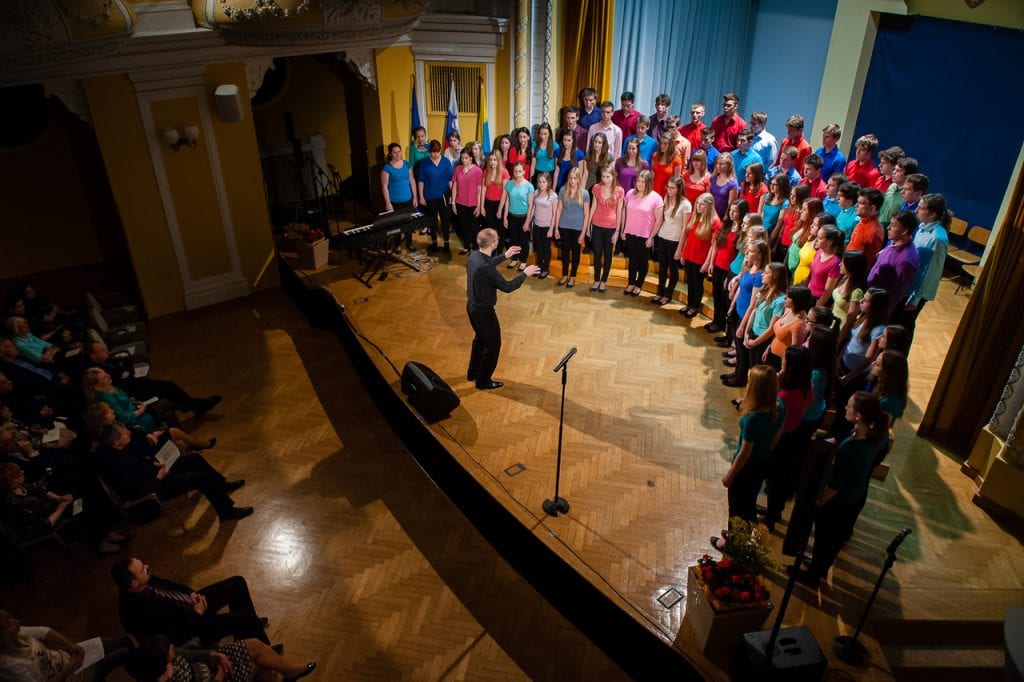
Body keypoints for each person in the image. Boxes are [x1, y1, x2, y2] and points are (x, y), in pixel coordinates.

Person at [798, 392, 887, 585]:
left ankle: (812, 576)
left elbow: (835, 485)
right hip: (855, 497)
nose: (845, 408)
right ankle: (819, 568)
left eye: (849, 406)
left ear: (859, 416)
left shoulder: (852, 448)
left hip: (840, 503)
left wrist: (818, 502)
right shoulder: (873, 436)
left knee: (825, 541)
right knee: (831, 542)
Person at [94, 421, 252, 521]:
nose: (129, 432)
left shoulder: (119, 449)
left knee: (194, 459)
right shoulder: (117, 465)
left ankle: (221, 484)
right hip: (155, 488)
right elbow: (135, 491)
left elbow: (139, 462)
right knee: (202, 477)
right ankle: (226, 512)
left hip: (156, 474)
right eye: (124, 432)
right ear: (116, 442)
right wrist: (159, 477)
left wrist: (153, 463)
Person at [112, 555, 271, 646]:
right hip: (193, 626)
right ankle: (262, 646)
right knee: (246, 617)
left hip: (190, 606)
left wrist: (191, 593)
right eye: (143, 569)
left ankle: (248, 634)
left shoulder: (143, 581)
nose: (147, 567)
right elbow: (177, 634)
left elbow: (170, 585)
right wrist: (198, 613)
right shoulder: (135, 613)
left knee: (237, 583)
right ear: (134, 583)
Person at [465, 229, 540, 390]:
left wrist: (505, 255)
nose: (499, 240)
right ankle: (483, 381)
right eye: (497, 239)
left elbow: (487, 262)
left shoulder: (473, 255)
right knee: (493, 346)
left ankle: (473, 372)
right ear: (492, 244)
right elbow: (507, 287)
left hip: (472, 306)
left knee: (480, 340)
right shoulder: (486, 268)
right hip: (483, 312)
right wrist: (524, 274)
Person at [714, 364, 785, 534]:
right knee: (749, 502)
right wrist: (765, 450)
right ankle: (745, 537)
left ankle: (733, 541)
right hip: (762, 462)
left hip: (745, 468)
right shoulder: (780, 405)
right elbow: (779, 433)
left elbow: (745, 452)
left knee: (736, 509)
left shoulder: (754, 418)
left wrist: (730, 475)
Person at [0, 610, 135, 682]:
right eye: (9, 623)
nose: (16, 621)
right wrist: (72, 667)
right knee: (124, 652)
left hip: (67, 658)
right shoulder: (12, 665)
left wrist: (70, 645)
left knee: (123, 640)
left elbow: (44, 631)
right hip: (70, 674)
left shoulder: (17, 634)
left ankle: (138, 669)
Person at [125, 633, 315, 682]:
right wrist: (219, 677)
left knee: (254, 645)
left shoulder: (168, 658)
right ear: (160, 662)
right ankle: (285, 675)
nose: (173, 647)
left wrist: (213, 654)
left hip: (208, 664)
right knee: (258, 665)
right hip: (215, 678)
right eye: (169, 649)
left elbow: (189, 653)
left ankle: (287, 672)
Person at [765, 345, 812, 531]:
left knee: (774, 480)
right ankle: (775, 511)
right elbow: (804, 410)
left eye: (784, 358)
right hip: (793, 434)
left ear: (791, 366)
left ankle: (770, 518)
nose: (781, 359)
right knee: (781, 478)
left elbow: (778, 424)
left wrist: (769, 447)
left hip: (780, 439)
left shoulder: (785, 395)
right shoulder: (806, 386)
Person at [898, 193, 951, 342]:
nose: (916, 210)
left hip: (916, 291)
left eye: (921, 208)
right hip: (908, 284)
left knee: (904, 327)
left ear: (932, 214)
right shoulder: (921, 227)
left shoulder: (938, 238)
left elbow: (931, 271)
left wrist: (916, 297)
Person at [728, 263, 788, 388]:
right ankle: (748, 391)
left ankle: (753, 394)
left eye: (767, 273)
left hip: (762, 339)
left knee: (758, 372)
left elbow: (771, 329)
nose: (762, 275)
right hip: (753, 334)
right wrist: (746, 332)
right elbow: (754, 311)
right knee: (751, 368)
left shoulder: (780, 301)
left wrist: (755, 342)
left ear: (776, 276)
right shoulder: (763, 291)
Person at [721, 239, 770, 386]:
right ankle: (737, 372)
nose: (747, 253)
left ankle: (740, 377)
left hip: (746, 315)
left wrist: (743, 325)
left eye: (751, 251)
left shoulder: (759, 276)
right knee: (738, 346)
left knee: (742, 350)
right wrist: (732, 306)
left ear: (760, 255)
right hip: (738, 310)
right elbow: (742, 288)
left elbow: (753, 304)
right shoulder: (750, 267)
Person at [867, 210, 921, 315]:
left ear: (904, 231)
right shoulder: (894, 242)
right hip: (869, 297)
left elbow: (895, 293)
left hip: (876, 308)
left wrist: (879, 316)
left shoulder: (906, 261)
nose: (888, 228)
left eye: (893, 226)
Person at [705, 199, 746, 333]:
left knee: (725, 297)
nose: (731, 214)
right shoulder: (726, 225)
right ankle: (716, 320)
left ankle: (721, 324)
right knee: (716, 295)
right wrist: (711, 263)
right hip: (718, 265)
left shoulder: (743, 231)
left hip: (730, 270)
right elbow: (716, 245)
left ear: (742, 213)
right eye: (730, 210)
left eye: (735, 211)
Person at [622, 170, 664, 297]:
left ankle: (638, 284)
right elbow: (624, 212)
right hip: (630, 233)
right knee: (632, 260)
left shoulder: (656, 198)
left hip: (645, 236)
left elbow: (659, 220)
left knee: (642, 261)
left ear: (649, 183)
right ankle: (631, 283)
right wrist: (623, 229)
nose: (640, 184)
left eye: (643, 181)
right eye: (638, 181)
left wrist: (651, 237)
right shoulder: (630, 193)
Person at [583, 165, 624, 292]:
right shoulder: (596, 188)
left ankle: (603, 281)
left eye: (607, 177)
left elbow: (619, 211)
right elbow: (593, 207)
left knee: (608, 255)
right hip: (596, 225)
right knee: (596, 254)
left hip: (611, 227)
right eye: (603, 176)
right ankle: (596, 280)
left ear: (613, 177)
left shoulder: (619, 190)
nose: (605, 179)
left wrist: (617, 231)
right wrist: (588, 227)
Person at [678, 193, 719, 319]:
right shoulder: (694, 216)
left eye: (702, 204)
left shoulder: (715, 221)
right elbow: (688, 236)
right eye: (697, 203)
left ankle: (695, 306)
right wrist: (683, 253)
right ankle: (689, 304)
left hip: (701, 258)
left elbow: (713, 245)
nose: (698, 206)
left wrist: (707, 263)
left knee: (697, 283)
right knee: (690, 281)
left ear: (709, 205)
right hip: (689, 254)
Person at [652, 177, 690, 306]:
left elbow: (685, 228)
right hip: (662, 237)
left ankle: (668, 294)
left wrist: (680, 249)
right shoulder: (666, 198)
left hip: (675, 240)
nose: (669, 190)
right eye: (668, 187)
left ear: (679, 189)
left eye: (672, 188)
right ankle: (660, 291)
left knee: (673, 269)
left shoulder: (685, 204)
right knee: (662, 267)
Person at [552, 167, 590, 288]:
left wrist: (583, 233)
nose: (572, 181)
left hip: (577, 228)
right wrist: (556, 228)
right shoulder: (563, 190)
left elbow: (587, 214)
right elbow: (559, 209)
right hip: (564, 226)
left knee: (575, 252)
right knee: (564, 252)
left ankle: (572, 276)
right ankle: (564, 275)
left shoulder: (584, 193)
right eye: (570, 178)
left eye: (574, 178)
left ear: (579, 179)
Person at [417, 140, 455, 254]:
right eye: (433, 152)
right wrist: (421, 197)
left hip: (444, 195)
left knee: (445, 220)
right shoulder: (424, 163)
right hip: (430, 196)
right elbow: (420, 181)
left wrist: (452, 195)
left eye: (437, 152)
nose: (435, 154)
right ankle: (434, 243)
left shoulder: (446, 162)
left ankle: (446, 243)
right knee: (432, 221)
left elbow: (450, 180)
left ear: (440, 150)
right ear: (429, 151)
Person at [381, 142, 420, 250]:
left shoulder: (407, 164)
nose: (397, 154)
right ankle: (397, 244)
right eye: (395, 152)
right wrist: (388, 203)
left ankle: (409, 242)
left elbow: (412, 181)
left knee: (408, 223)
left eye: (399, 152)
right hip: (394, 201)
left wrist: (415, 197)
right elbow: (384, 187)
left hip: (408, 199)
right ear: (390, 154)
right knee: (396, 225)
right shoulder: (387, 168)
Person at [499, 162, 535, 270]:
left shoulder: (529, 186)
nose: (517, 174)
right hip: (512, 216)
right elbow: (507, 201)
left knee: (523, 240)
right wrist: (505, 217)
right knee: (514, 239)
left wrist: (527, 222)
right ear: (513, 172)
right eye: (515, 171)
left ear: (524, 172)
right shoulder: (509, 184)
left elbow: (531, 206)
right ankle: (514, 259)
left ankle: (523, 261)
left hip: (523, 217)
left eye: (520, 171)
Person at [450, 146, 485, 255]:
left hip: (473, 204)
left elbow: (479, 190)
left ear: (471, 158)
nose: (464, 160)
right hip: (460, 203)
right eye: (462, 158)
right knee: (463, 226)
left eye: (466, 158)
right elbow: (455, 186)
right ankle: (466, 246)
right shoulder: (458, 169)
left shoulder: (478, 171)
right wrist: (453, 202)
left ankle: (475, 248)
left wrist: (478, 206)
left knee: (473, 228)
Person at [831, 250, 869, 336]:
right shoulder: (845, 278)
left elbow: (850, 320)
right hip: (831, 323)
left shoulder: (857, 292)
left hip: (839, 329)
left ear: (851, 266)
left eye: (843, 263)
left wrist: (839, 339)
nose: (840, 264)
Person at [530, 172, 558, 279]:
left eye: (544, 182)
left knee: (546, 248)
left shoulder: (553, 195)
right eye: (540, 182)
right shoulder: (536, 192)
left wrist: (551, 229)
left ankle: (545, 269)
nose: (541, 184)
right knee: (538, 247)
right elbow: (533, 208)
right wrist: (528, 222)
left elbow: (555, 214)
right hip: (537, 225)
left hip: (547, 226)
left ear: (548, 183)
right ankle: (539, 267)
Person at [849, 187, 886, 266]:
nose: (856, 205)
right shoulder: (862, 221)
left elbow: (866, 262)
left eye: (861, 203)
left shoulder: (873, 232)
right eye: (857, 202)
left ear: (872, 208)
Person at [808, 225, 844, 306]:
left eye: (820, 238)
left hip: (818, 299)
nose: (816, 240)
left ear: (829, 242)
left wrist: (818, 306)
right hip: (809, 293)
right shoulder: (819, 252)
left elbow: (828, 291)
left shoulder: (835, 262)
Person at [652, 132, 684, 198]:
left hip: (668, 194)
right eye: (661, 143)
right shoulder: (655, 156)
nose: (662, 146)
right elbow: (652, 175)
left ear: (671, 145)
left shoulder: (677, 160)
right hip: (654, 192)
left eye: (665, 144)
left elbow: (676, 181)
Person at [709, 154, 739, 220]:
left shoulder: (732, 183)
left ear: (728, 165)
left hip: (722, 216)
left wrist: (725, 218)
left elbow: (730, 204)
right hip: (710, 213)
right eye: (717, 163)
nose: (718, 166)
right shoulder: (713, 178)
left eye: (721, 164)